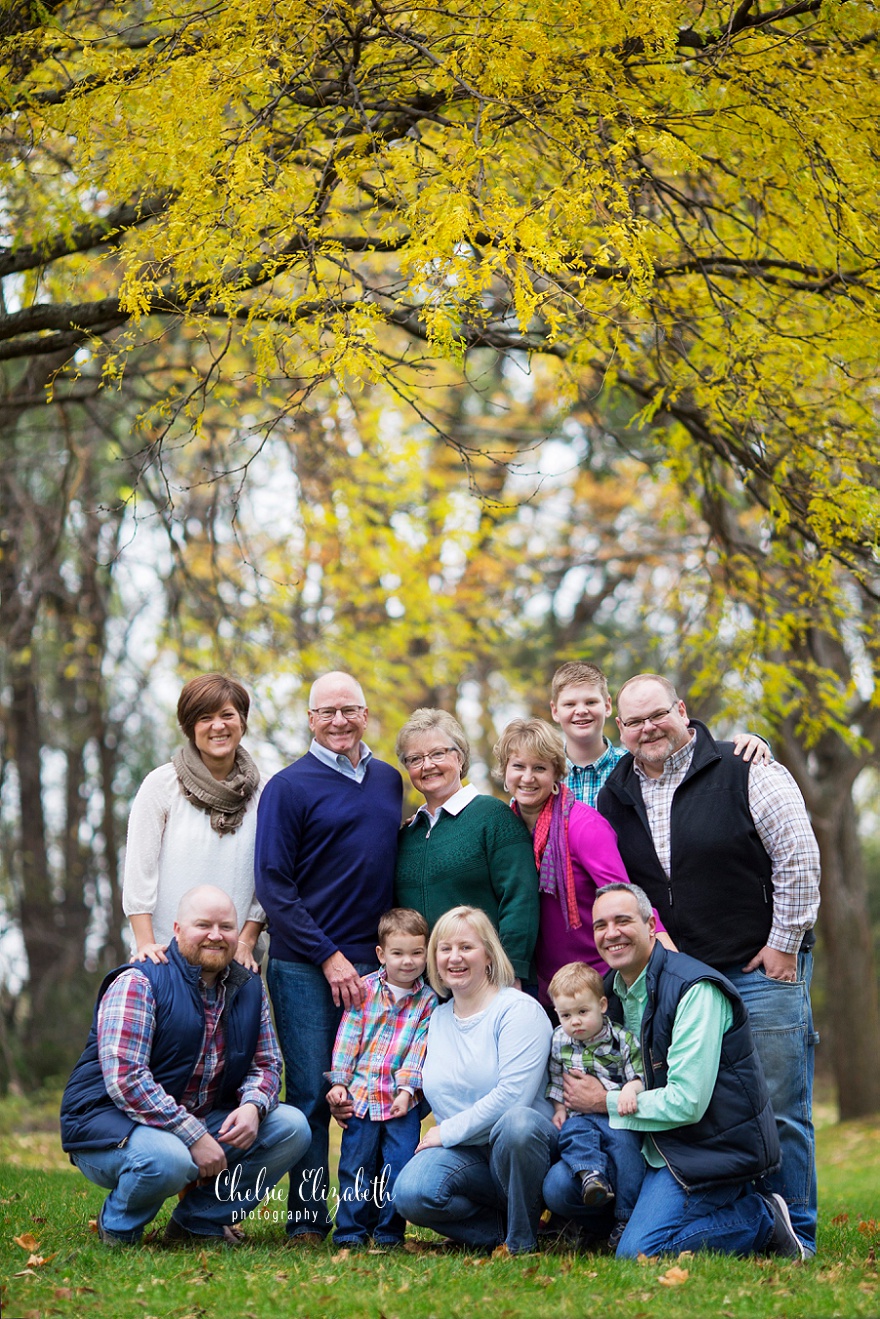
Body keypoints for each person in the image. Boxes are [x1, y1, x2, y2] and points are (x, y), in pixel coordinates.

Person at [596, 673, 821, 1253]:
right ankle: (743, 1211)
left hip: (757, 967)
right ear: (620, 730)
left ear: (682, 710)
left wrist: (784, 943)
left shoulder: (746, 767)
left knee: (779, 1102)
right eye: (634, 721)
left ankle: (798, 1227)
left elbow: (798, 854)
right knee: (699, 1106)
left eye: (657, 715)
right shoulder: (615, 791)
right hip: (685, 984)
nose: (648, 728)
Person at [543, 885, 804, 1260]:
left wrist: (603, 1102)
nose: (611, 933)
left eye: (623, 920)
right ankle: (631, 1222)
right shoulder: (605, 997)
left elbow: (687, 1103)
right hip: (643, 1145)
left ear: (651, 926)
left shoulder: (694, 990)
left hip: (705, 1149)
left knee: (639, 1253)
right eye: (601, 925)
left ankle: (760, 1217)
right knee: (559, 1187)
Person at [60, 885, 309, 1246]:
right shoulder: (140, 980)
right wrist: (193, 1136)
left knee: (292, 1126)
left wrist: (254, 1106)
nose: (215, 935)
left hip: (194, 1122)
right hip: (108, 1126)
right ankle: (119, 1227)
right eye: (203, 925)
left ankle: (199, 1222)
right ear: (176, 929)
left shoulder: (249, 987)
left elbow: (267, 1064)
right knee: (169, 1158)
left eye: (226, 927)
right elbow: (127, 1080)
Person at [254, 671, 403, 1243]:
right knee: (315, 1091)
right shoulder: (288, 787)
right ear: (310, 720)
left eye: (350, 710)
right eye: (326, 712)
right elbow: (273, 885)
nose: (339, 721)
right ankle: (307, 1220)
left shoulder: (389, 781)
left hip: (375, 969)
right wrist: (328, 957)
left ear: (366, 714)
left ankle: (369, 1216)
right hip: (303, 966)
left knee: (373, 1091)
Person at [393, 906, 556, 1255]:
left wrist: (446, 1132)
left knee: (517, 1124)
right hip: (469, 1157)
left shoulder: (517, 1010)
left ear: (488, 954)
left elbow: (513, 1096)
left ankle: (521, 1242)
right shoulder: (436, 1020)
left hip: (524, 1151)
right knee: (411, 1192)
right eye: (445, 948)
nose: (455, 957)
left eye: (466, 947)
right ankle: (498, 1231)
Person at [494, 716, 670, 1006]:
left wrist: (666, 954)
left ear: (556, 772)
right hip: (535, 990)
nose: (527, 778)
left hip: (597, 985)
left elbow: (624, 896)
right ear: (505, 771)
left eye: (539, 768)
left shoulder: (582, 825)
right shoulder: (502, 827)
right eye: (518, 767)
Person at [123, 673, 265, 971]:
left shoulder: (266, 792)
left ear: (242, 721)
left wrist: (246, 941)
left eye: (227, 715)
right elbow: (139, 871)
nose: (218, 726)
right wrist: (146, 946)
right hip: (166, 958)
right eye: (205, 718)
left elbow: (270, 876)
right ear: (190, 727)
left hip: (234, 961)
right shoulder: (161, 785)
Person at [394, 709, 538, 985]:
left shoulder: (493, 816)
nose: (427, 765)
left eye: (438, 754)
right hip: (425, 994)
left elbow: (521, 899)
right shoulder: (407, 836)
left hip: (490, 984)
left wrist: (512, 973)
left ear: (459, 757)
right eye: (415, 759)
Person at [325, 908, 437, 1248]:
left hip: (402, 1102)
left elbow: (421, 1048)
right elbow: (347, 1038)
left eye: (417, 953)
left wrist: (408, 1090)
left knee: (398, 1166)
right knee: (355, 1166)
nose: (408, 961)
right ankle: (350, 1233)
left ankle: (389, 1232)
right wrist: (340, 1083)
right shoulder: (365, 990)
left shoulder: (428, 1001)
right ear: (381, 954)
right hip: (361, 1097)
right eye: (398, 953)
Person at [550, 660, 769, 807]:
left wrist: (754, 741)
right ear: (555, 711)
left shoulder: (635, 765)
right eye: (569, 704)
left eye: (590, 702)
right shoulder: (546, 774)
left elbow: (689, 758)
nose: (581, 710)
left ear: (607, 706)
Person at [546, 961, 645, 1235]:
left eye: (582, 1012)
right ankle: (592, 1176)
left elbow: (638, 1076)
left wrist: (628, 1091)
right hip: (580, 1116)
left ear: (602, 1005)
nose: (574, 1021)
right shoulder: (558, 1041)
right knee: (572, 1135)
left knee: (628, 1153)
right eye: (565, 1016)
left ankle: (626, 1217)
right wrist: (558, 1107)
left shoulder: (622, 1040)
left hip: (616, 1116)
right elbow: (555, 1075)